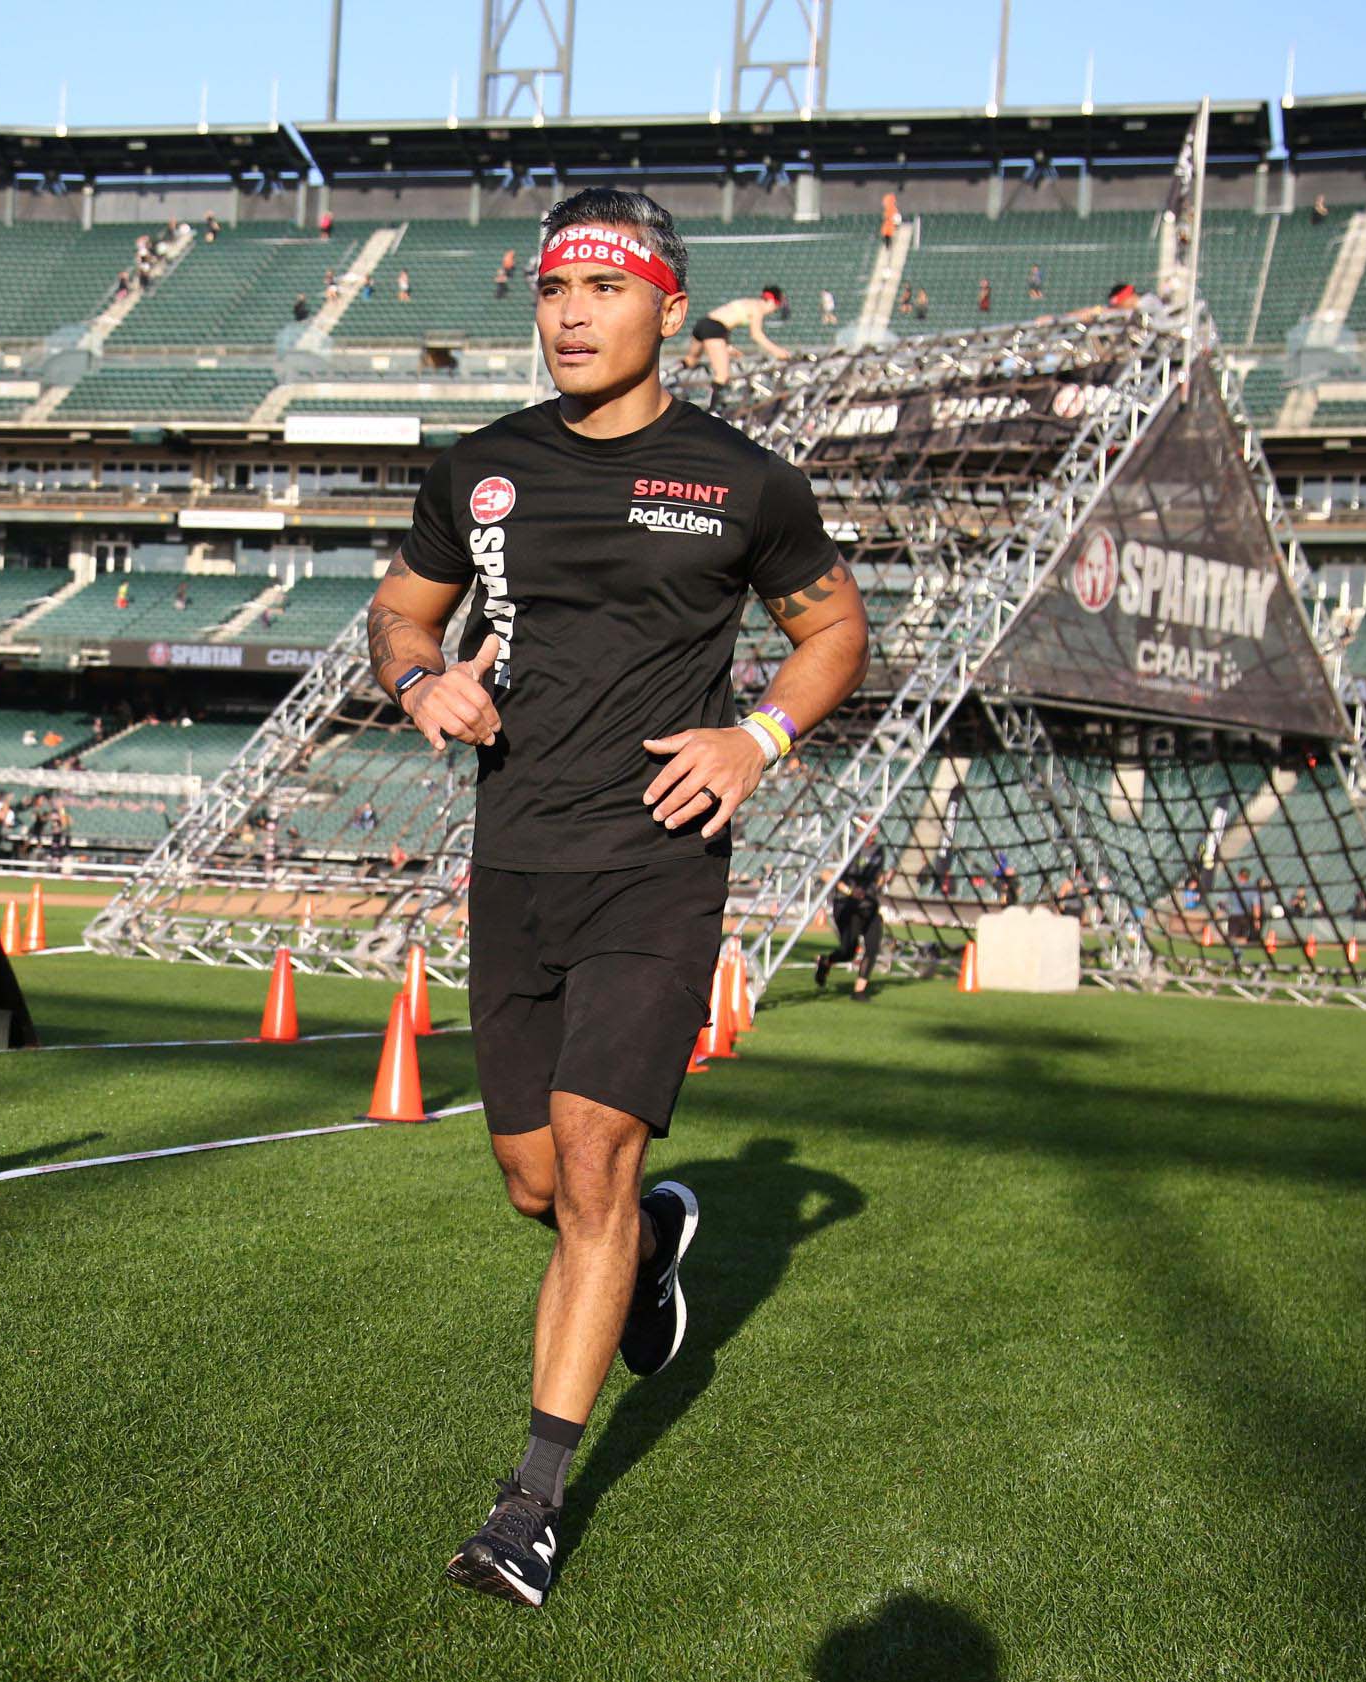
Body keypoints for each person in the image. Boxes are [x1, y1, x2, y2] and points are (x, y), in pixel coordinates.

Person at [365, 187, 869, 1609]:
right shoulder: (478, 467)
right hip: (513, 860)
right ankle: (649, 1246)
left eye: (602, 288)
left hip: (655, 862)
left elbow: (833, 627)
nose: (570, 315)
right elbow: (400, 606)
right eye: (550, 290)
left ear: (664, 305)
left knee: (591, 1158)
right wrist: (421, 678)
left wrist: (753, 739)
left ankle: (527, 1501)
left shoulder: (742, 479)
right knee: (535, 1180)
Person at [813, 825, 886, 999]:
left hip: (869, 905)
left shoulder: (879, 850)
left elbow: (877, 876)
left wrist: (882, 881)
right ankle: (826, 961)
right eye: (869, 827)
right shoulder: (846, 845)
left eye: (875, 828)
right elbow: (825, 873)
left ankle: (859, 990)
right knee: (849, 951)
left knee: (873, 947)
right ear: (859, 829)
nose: (873, 832)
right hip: (846, 905)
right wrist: (849, 891)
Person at [676, 285, 792, 392]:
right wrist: (777, 351)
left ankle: (667, 375)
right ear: (771, 301)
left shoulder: (749, 303)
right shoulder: (758, 308)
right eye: (776, 306)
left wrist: (727, 346)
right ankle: (711, 409)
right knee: (722, 376)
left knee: (691, 360)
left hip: (703, 324)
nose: (773, 310)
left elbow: (725, 324)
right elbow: (756, 335)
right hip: (713, 329)